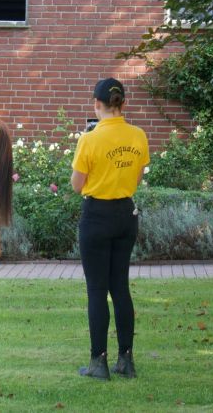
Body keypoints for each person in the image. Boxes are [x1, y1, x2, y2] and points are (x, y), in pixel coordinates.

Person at [71, 78, 150, 380]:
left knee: (96, 290)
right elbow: (137, 177)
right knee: (120, 288)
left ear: (97, 104)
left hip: (97, 216)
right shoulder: (139, 135)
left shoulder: (89, 139)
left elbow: (77, 185)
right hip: (126, 214)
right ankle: (126, 360)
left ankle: (98, 362)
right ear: (123, 104)